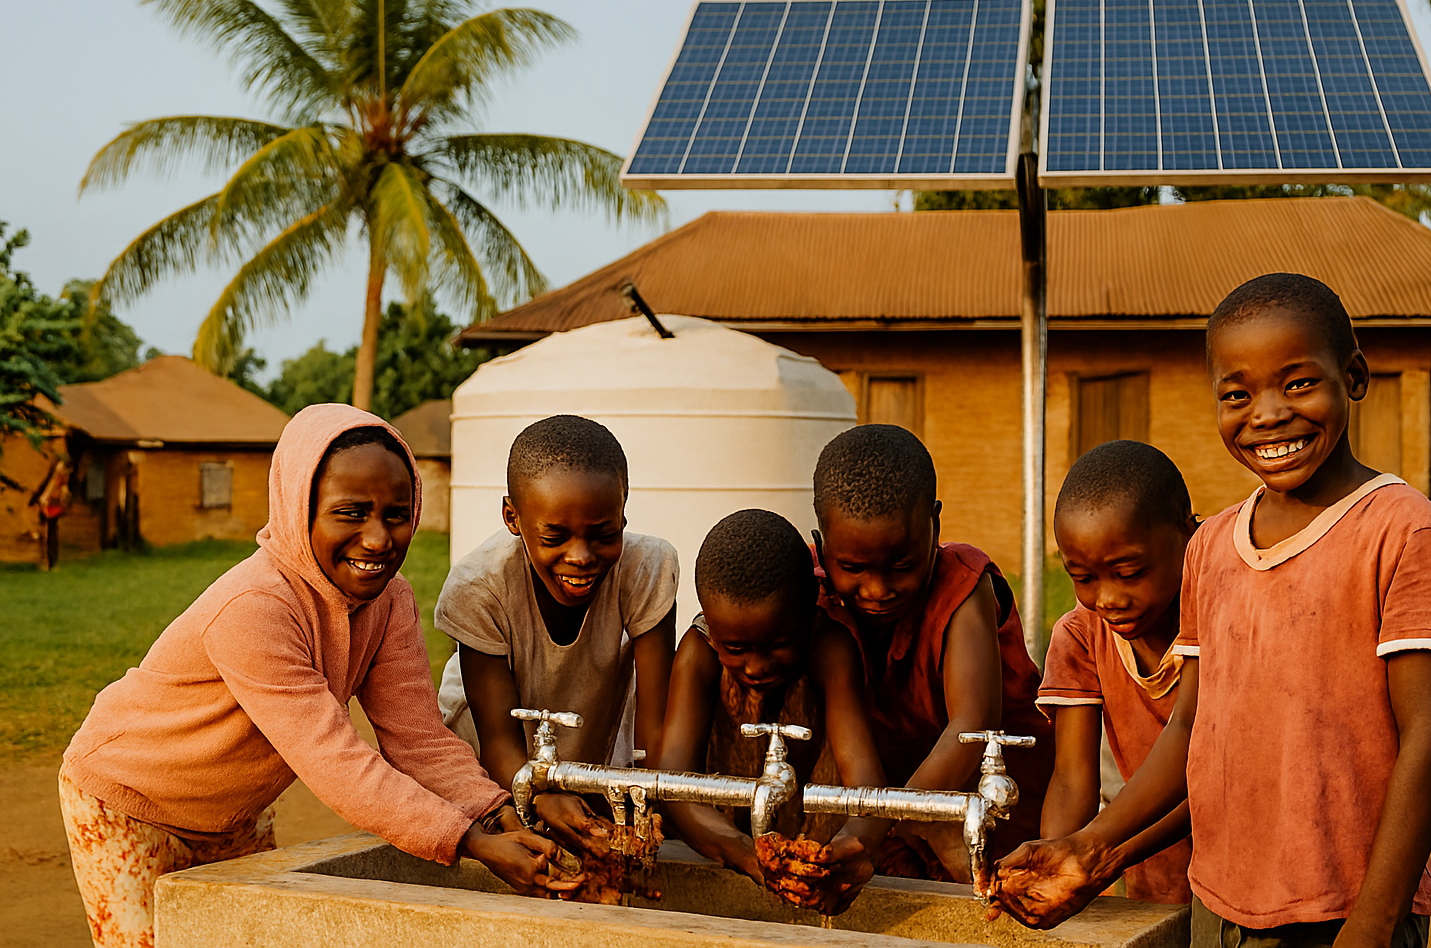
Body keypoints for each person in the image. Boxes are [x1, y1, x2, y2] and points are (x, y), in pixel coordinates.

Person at [990, 274, 1431, 948]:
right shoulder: (1213, 546)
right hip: (1219, 906)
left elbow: (1430, 736)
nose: (1268, 413)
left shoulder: (1403, 532)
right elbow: (1190, 723)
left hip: (1348, 908)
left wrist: (1373, 921)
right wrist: (1089, 843)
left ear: (1354, 376)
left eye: (1298, 383)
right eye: (1237, 394)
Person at [59, 405, 574, 948]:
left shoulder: (389, 601)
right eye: (351, 513)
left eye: (397, 514)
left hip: (233, 815)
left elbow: (419, 742)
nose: (378, 539)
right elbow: (335, 763)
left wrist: (496, 815)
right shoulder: (254, 606)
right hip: (128, 801)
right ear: (297, 508)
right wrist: (468, 839)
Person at [811, 424, 1054, 883]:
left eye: (902, 566)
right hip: (887, 811)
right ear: (822, 547)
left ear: (935, 526)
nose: (878, 590)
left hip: (995, 809)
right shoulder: (812, 588)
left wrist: (881, 824)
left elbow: (972, 725)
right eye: (853, 568)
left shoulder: (963, 583)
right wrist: (873, 828)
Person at [435, 414, 677, 862]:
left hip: (585, 760)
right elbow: (499, 742)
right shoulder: (479, 587)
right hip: (484, 774)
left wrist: (647, 807)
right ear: (513, 517)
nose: (581, 556)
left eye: (605, 535)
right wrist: (539, 793)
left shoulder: (647, 568)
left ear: (624, 512)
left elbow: (654, 728)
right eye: (555, 536)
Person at [656, 508, 888, 914]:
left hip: (819, 849)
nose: (757, 666)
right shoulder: (699, 651)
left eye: (779, 643)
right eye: (736, 649)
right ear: (711, 624)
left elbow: (865, 784)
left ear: (810, 613)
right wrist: (749, 855)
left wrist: (848, 848)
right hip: (722, 847)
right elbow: (675, 787)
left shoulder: (829, 648)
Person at [1036, 440, 1196, 905]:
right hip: (1153, 885)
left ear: (1187, 535)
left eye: (1129, 573)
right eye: (1083, 578)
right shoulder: (1082, 635)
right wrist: (1057, 859)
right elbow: (1071, 780)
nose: (1107, 598)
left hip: (1244, 880)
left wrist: (1104, 852)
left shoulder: (1220, 610)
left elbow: (1210, 775)